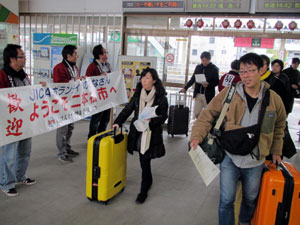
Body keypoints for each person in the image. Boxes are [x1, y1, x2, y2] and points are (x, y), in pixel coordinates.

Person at [190, 53, 286, 225]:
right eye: (242, 72)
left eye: (250, 71)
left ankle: (243, 222)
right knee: (226, 200)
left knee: (250, 199)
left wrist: (277, 150)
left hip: (255, 160)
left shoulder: (273, 99)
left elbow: (279, 127)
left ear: (262, 70)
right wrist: (196, 136)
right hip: (230, 156)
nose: (245, 76)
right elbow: (207, 114)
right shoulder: (230, 93)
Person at [113, 68, 168, 204]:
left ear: (154, 80)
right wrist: (117, 122)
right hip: (138, 132)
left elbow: (164, 116)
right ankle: (148, 180)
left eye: (148, 78)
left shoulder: (161, 97)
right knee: (143, 160)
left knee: (145, 160)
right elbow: (128, 109)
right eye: (143, 77)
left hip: (151, 133)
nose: (144, 80)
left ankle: (143, 190)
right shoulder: (138, 95)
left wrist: (152, 121)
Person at [0, 44, 36, 197]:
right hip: (10, 122)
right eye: (22, 56)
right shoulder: (2, 76)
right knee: (9, 154)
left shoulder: (23, 75)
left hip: (25, 119)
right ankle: (6, 182)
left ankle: (20, 175)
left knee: (24, 150)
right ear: (12, 59)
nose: (25, 58)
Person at [53, 45, 80, 163]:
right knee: (62, 128)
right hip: (62, 103)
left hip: (72, 102)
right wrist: (74, 81)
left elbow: (75, 80)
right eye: (75, 54)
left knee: (70, 127)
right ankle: (61, 152)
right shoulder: (59, 68)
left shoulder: (75, 67)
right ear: (68, 56)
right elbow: (58, 84)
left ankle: (67, 147)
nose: (77, 56)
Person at [181, 51, 219, 119]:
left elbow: (216, 82)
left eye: (205, 60)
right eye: (202, 60)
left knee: (208, 113)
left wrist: (208, 85)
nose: (203, 62)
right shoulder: (198, 67)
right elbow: (193, 79)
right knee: (196, 112)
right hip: (198, 93)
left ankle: (205, 127)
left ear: (209, 59)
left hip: (208, 94)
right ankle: (199, 124)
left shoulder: (214, 69)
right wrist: (185, 88)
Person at [85, 44, 112, 139]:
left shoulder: (107, 65)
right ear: (100, 55)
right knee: (96, 118)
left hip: (106, 96)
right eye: (105, 52)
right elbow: (87, 81)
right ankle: (92, 138)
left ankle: (101, 136)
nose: (107, 54)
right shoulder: (92, 66)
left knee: (106, 118)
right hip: (97, 97)